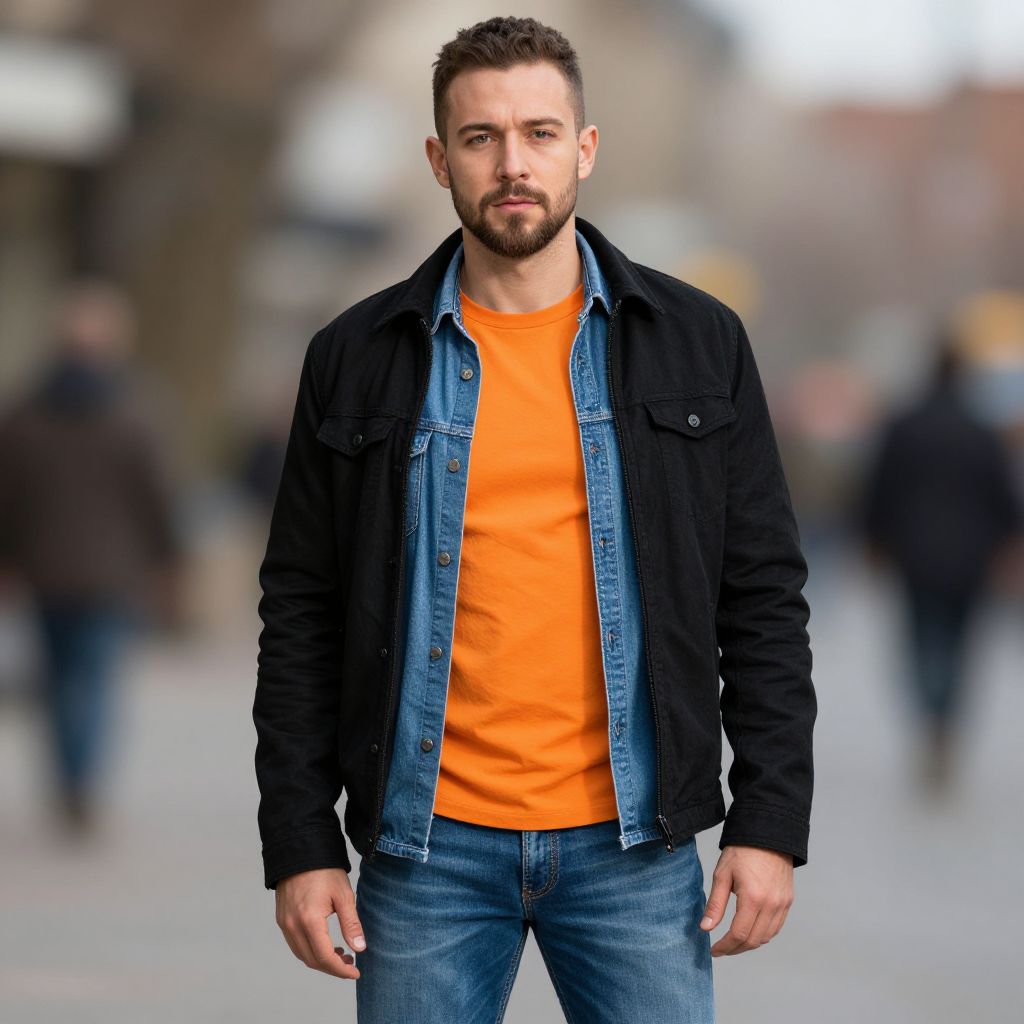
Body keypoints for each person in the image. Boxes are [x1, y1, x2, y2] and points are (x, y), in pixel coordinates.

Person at [253, 16, 816, 1022]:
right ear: (439, 159)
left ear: (584, 149)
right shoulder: (358, 354)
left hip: (632, 847)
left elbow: (762, 596)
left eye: (540, 133)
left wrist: (768, 821)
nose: (513, 164)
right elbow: (300, 609)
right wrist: (299, 842)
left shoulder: (695, 342)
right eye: (480, 138)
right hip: (424, 848)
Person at [0, 277, 184, 835]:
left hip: (45, 570)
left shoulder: (25, 413)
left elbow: (7, 497)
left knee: (57, 682)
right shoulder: (137, 413)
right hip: (111, 573)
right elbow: (158, 498)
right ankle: (81, 782)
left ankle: (68, 780)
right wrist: (168, 563)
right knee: (95, 681)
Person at [860, 330, 1024, 793]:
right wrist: (1010, 544)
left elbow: (878, 489)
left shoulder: (904, 424)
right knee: (960, 645)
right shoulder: (982, 430)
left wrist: (873, 542)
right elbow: (1004, 496)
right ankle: (946, 721)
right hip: (972, 558)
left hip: (914, 555)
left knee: (921, 642)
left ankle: (931, 718)